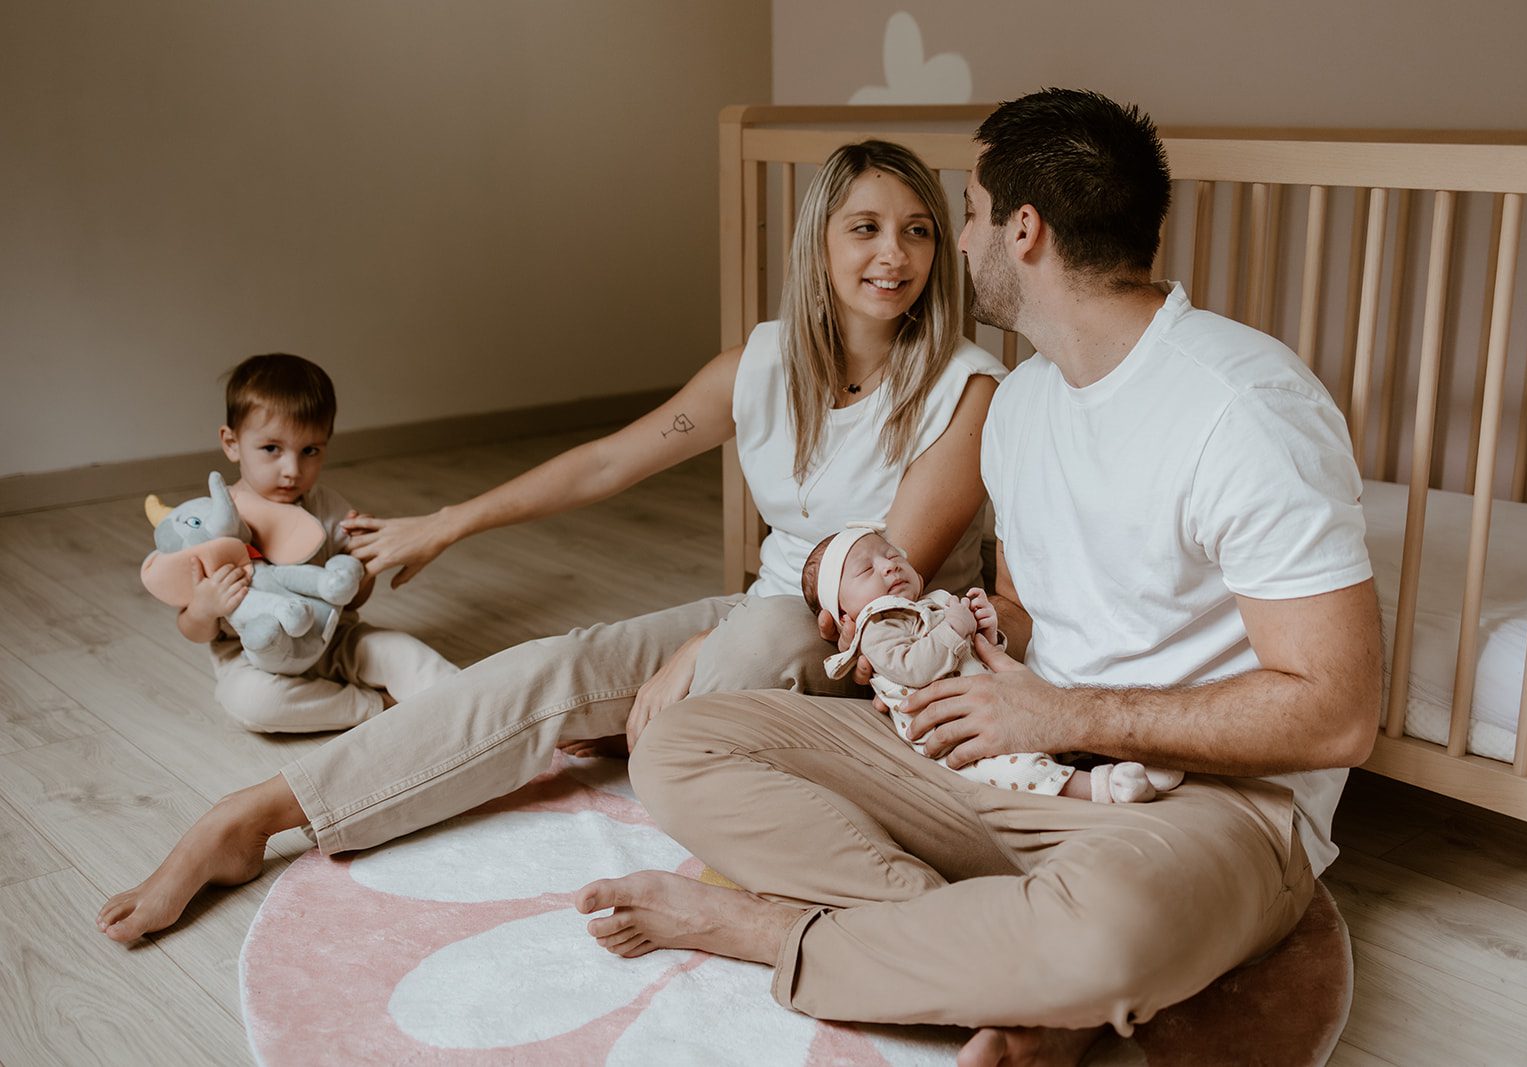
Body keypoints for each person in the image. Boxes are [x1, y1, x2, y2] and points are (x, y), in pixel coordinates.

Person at [576, 89, 1383, 1067]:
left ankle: (769, 929)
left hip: (1197, 800)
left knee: (1109, 932)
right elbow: (1029, 609)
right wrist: (943, 640)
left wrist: (1062, 714)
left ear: (1023, 230)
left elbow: (1337, 713)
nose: (957, 242)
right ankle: (1001, 956)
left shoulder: (1244, 408)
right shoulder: (1023, 402)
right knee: (685, 745)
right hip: (1007, 755)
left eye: (966, 213)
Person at [97, 139, 1007, 943]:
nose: (895, 254)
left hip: (870, 653)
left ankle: (690, 765)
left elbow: (877, 588)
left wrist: (699, 648)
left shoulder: (967, 390)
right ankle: (253, 817)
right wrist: (451, 521)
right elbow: (606, 462)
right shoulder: (762, 363)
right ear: (819, 244)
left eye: (919, 230)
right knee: (552, 669)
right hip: (757, 617)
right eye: (865, 228)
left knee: (756, 638)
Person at [801, 522, 1180, 803]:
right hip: (954, 730)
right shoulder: (876, 626)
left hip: (996, 698)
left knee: (1057, 722)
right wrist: (954, 628)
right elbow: (914, 668)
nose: (889, 566)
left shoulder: (929, 604)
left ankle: (1135, 765)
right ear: (843, 615)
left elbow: (979, 653)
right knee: (1015, 768)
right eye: (866, 570)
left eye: (891, 554)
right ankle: (1102, 788)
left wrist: (987, 630)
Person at [178, 353, 459, 732]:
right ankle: (376, 705)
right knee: (252, 703)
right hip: (253, 658)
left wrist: (361, 564)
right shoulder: (209, 521)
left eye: (310, 450)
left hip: (332, 639)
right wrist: (204, 607)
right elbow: (191, 629)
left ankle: (480, 705)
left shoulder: (326, 508)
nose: (292, 470)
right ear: (231, 443)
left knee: (406, 653)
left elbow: (352, 600)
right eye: (272, 449)